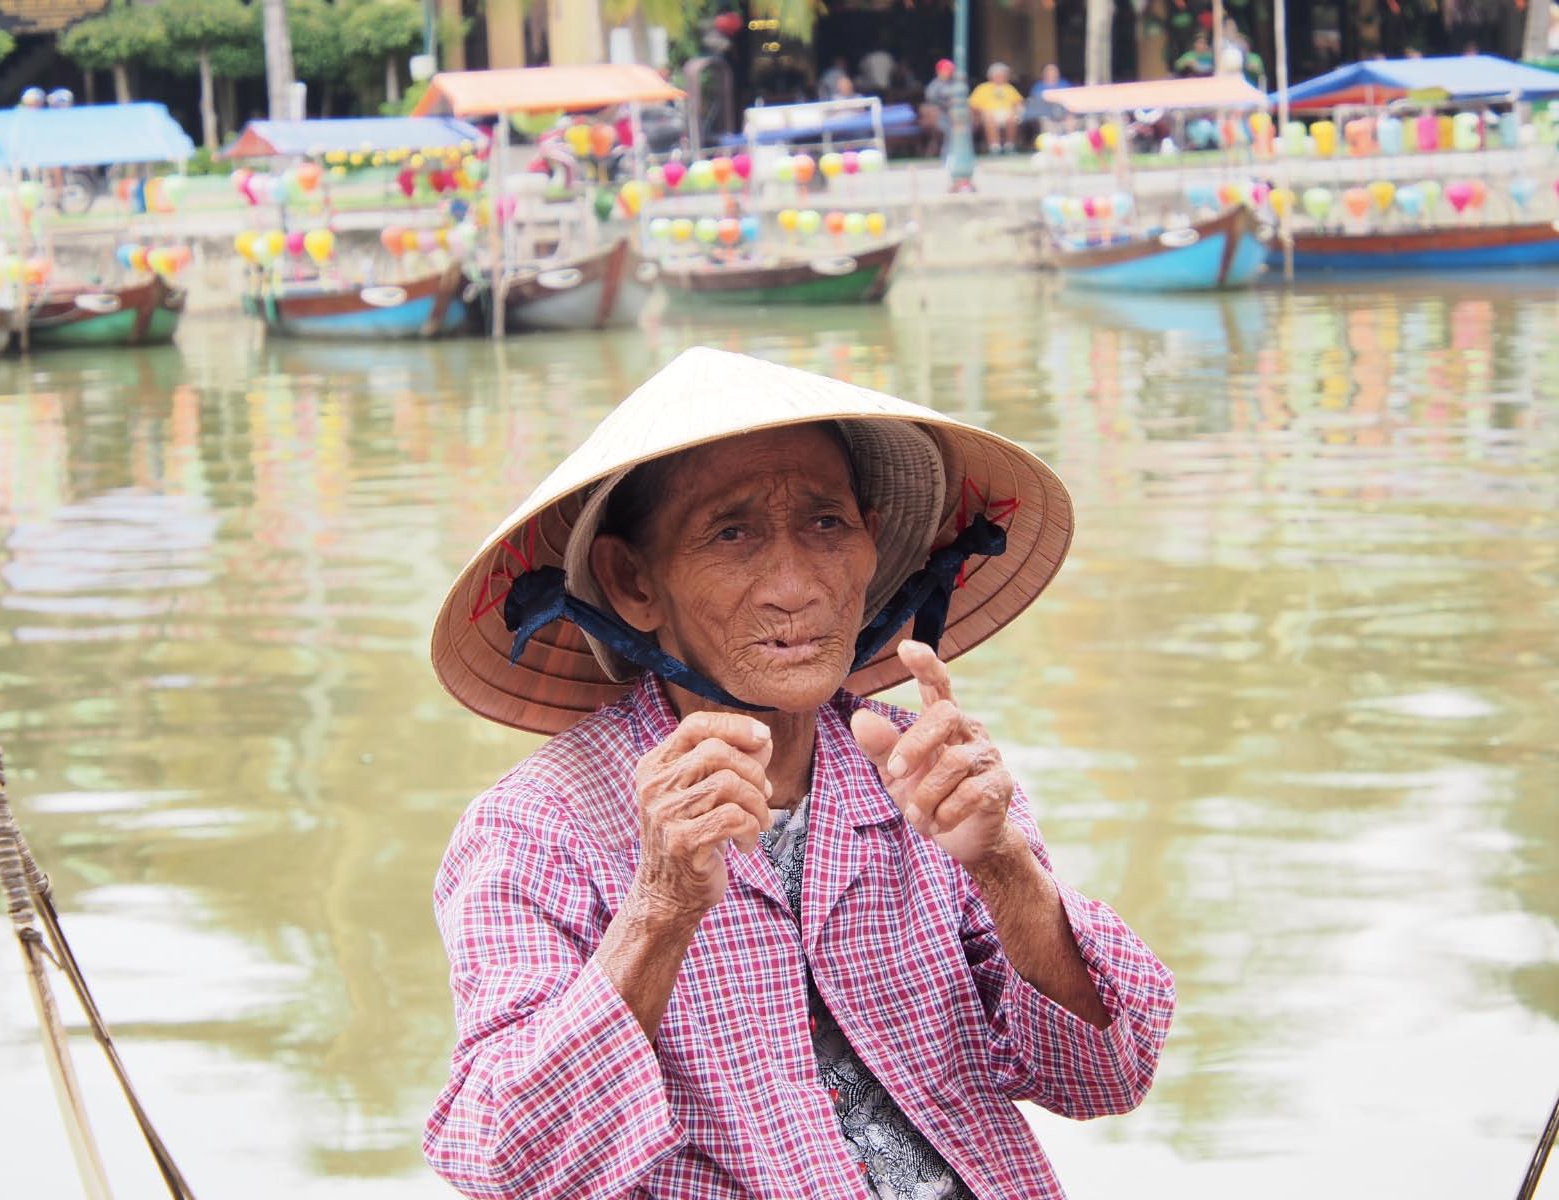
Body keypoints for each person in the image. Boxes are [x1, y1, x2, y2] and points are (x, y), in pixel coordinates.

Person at [423, 348, 1176, 1199]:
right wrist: (661, 908)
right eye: (731, 533)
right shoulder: (536, 825)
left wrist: (1003, 863)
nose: (795, 586)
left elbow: (1109, 1076)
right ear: (634, 582)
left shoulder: (919, 760)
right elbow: (505, 1167)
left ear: (871, 544)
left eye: (826, 525)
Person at [968, 61, 1025, 153]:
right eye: (998, 74)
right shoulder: (982, 88)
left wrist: (1017, 111)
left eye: (1003, 75)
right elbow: (972, 105)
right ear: (991, 76)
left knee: (1012, 117)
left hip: (1007, 113)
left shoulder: (1009, 88)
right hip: (987, 114)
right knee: (990, 116)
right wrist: (977, 116)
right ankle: (995, 147)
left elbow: (1019, 103)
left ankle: (1009, 146)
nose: (1001, 77)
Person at [922, 58, 965, 157]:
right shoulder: (934, 85)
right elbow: (931, 100)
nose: (948, 73)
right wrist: (947, 104)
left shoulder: (956, 83)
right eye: (945, 70)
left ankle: (960, 153)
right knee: (950, 129)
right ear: (939, 71)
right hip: (940, 115)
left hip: (955, 115)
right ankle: (947, 155)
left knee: (961, 125)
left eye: (950, 70)